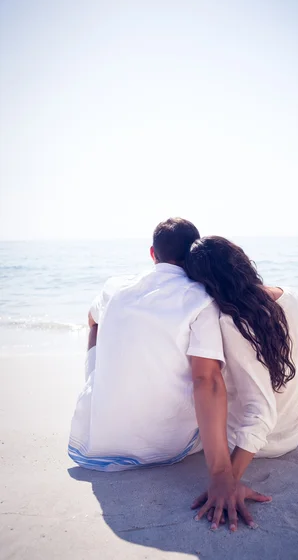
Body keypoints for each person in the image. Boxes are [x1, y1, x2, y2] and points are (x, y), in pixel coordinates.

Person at [68, 218, 269, 532]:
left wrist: (94, 371)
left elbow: (92, 320)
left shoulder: (114, 287)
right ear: (192, 256)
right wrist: (220, 475)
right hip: (169, 448)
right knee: (214, 369)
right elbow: (207, 381)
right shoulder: (201, 300)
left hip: (99, 442)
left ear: (152, 254)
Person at [185, 236, 298, 517]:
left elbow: (261, 412)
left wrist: (227, 479)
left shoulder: (231, 322)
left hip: (260, 443)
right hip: (296, 428)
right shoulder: (291, 297)